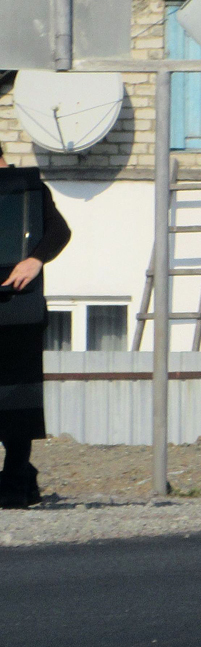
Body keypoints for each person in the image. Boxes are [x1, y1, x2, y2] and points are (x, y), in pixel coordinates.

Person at [0, 144, 70, 509]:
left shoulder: (26, 192)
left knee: (17, 398)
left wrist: (35, 260)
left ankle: (15, 483)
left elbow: (59, 231)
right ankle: (22, 480)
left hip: (15, 309)